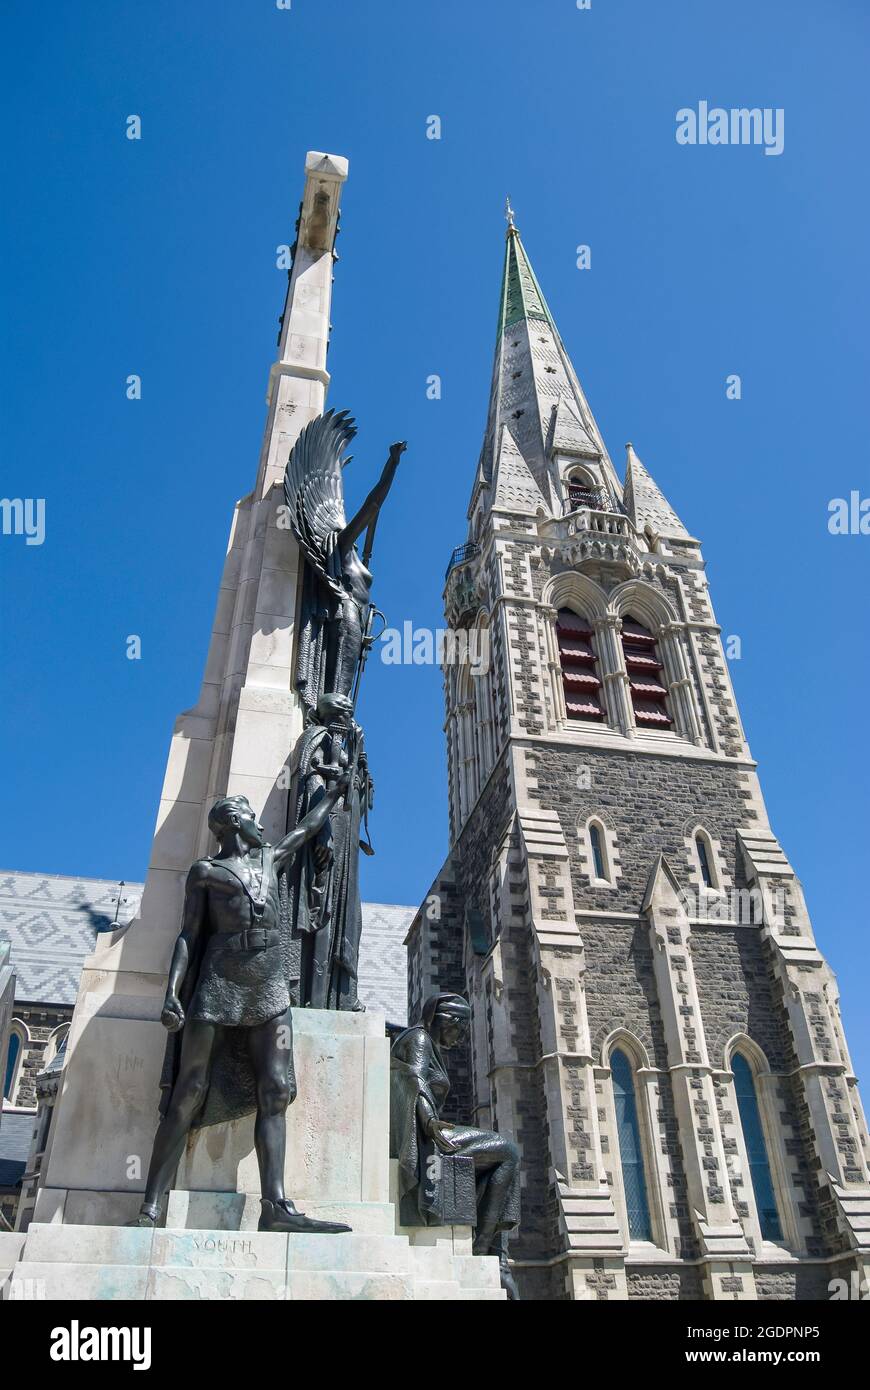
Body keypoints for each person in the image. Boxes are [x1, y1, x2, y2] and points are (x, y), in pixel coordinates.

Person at [130, 775, 352, 1233]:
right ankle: (151, 1204)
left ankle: (276, 1206)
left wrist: (335, 791)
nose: (261, 826)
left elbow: (307, 828)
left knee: (275, 1088)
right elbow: (189, 934)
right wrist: (172, 991)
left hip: (269, 979)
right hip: (219, 977)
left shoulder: (271, 859)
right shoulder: (205, 873)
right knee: (190, 1090)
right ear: (233, 823)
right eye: (252, 819)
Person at [390, 992, 521, 1299]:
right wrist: (430, 1120)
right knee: (508, 1152)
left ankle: (495, 1254)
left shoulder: (425, 1042)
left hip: (427, 1130)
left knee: (499, 1159)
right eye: (460, 1029)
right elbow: (414, 1080)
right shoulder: (420, 1040)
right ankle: (484, 1249)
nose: (461, 1037)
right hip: (424, 1133)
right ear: (446, 1020)